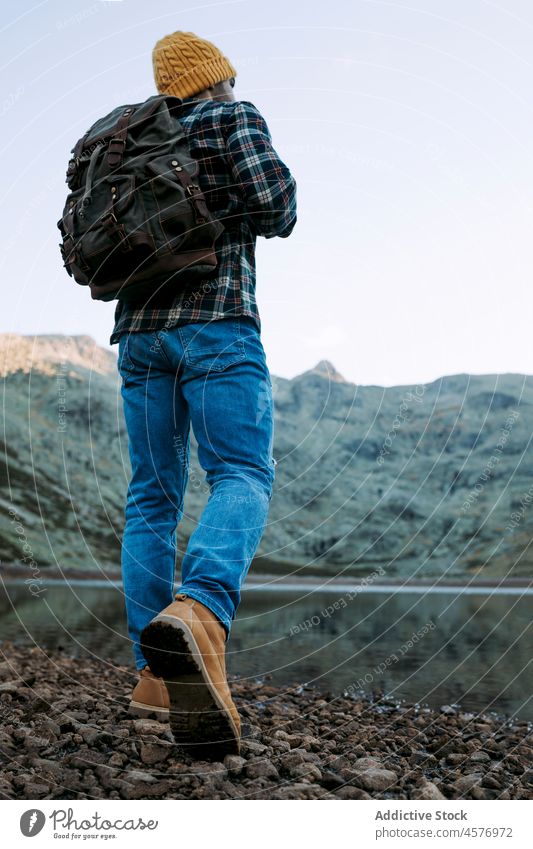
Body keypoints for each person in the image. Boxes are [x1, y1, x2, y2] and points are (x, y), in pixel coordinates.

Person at [111, 30, 297, 757]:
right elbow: (277, 207)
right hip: (216, 324)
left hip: (138, 337)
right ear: (213, 79)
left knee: (150, 498)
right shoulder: (231, 116)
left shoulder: (130, 141)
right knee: (242, 472)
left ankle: (153, 680)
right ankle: (201, 612)